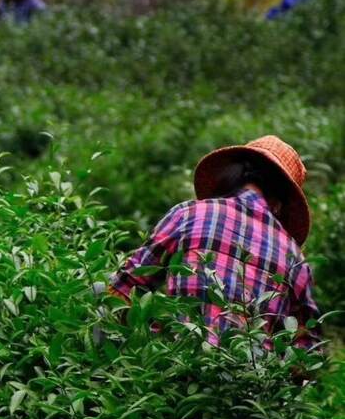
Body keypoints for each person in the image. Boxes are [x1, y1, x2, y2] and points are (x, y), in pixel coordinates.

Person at [110, 135, 321, 349]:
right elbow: (307, 351)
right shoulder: (295, 258)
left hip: (176, 367)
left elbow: (124, 289)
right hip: (250, 379)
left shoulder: (189, 214)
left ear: (234, 176)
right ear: (281, 204)